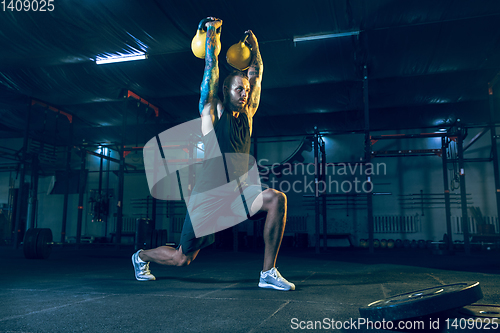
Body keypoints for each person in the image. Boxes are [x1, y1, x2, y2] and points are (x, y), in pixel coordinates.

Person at [132, 18, 295, 291]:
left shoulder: (248, 116)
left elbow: (258, 75)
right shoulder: (212, 111)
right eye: (238, 89)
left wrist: (255, 51)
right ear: (226, 92)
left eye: (245, 89)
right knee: (182, 258)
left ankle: (268, 272)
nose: (244, 94)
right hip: (208, 195)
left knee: (276, 199)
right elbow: (211, 69)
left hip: (239, 193)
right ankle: (141, 257)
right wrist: (211, 35)